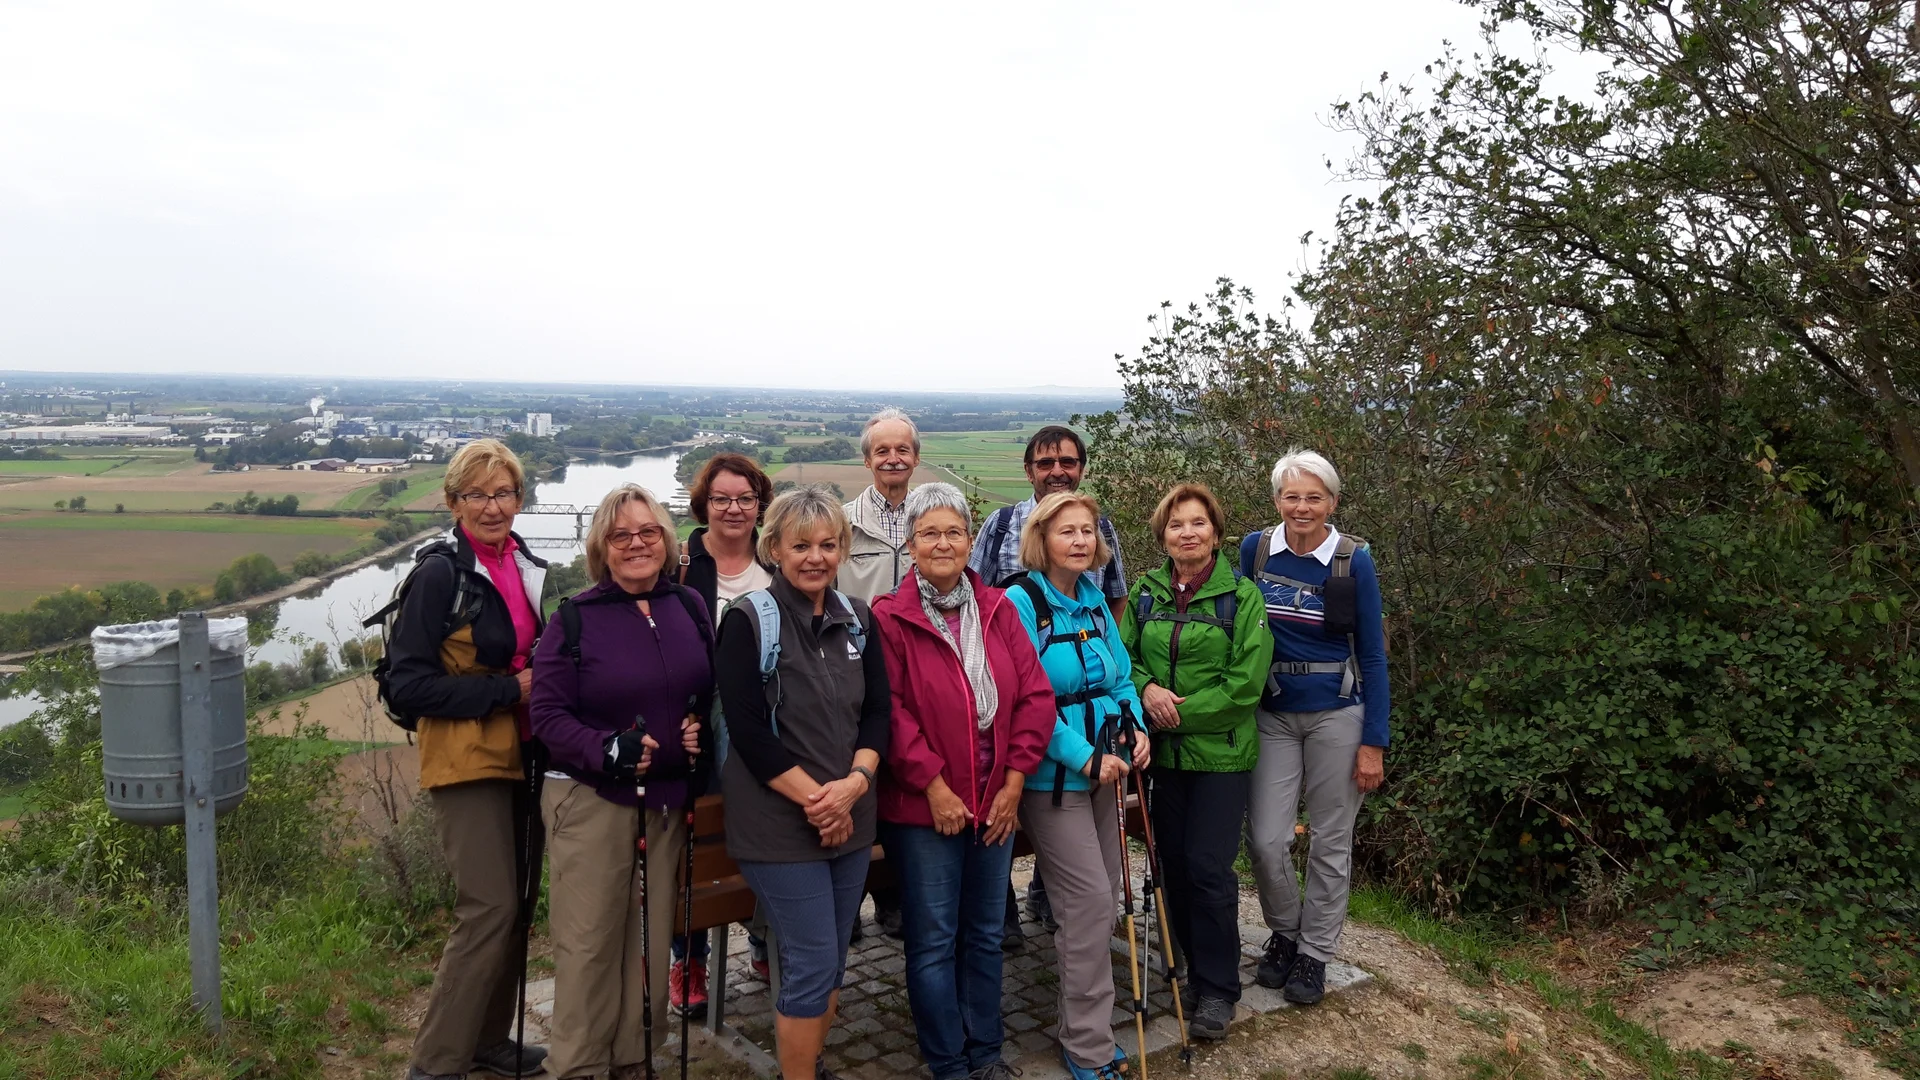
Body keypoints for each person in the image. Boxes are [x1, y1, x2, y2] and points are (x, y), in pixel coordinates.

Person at [872, 483, 1054, 1080]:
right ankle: (948, 1061)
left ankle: (987, 1054)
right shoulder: (890, 618)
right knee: (932, 941)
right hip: (927, 809)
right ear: (911, 544)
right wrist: (933, 786)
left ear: (971, 542)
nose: (943, 542)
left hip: (995, 800)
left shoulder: (1000, 610)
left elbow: (1033, 696)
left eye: (954, 532)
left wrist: (1014, 782)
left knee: (983, 935)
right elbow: (890, 714)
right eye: (930, 533)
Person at [530, 484, 712, 1080]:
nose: (637, 543)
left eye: (648, 531)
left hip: (663, 802)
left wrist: (694, 728)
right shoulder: (574, 619)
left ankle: (635, 1060)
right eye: (621, 534)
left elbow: (703, 694)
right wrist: (605, 748)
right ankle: (578, 1067)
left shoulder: (688, 607)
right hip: (590, 799)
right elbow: (548, 716)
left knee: (652, 942)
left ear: (666, 539)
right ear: (601, 548)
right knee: (588, 948)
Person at [717, 486, 890, 1080]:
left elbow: (878, 715)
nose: (815, 557)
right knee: (813, 958)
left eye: (827, 544)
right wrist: (821, 801)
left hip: (850, 814)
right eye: (800, 546)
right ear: (775, 550)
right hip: (779, 826)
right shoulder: (747, 622)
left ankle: (811, 1065)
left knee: (832, 960)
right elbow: (749, 733)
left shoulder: (858, 620)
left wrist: (855, 785)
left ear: (841, 548)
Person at [392, 438, 550, 1080]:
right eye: (478, 494)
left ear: (519, 497)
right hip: (466, 759)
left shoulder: (525, 562)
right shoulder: (438, 575)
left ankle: (487, 1040)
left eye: (505, 492)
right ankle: (435, 1063)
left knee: (517, 902)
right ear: (454, 502)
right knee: (487, 906)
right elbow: (407, 686)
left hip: (526, 751)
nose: (493, 506)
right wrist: (506, 690)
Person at [1003, 491, 1149, 1080]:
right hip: (1052, 780)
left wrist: (1135, 727)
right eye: (1068, 531)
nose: (1081, 541)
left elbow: (1120, 677)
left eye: (1088, 531)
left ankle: (1082, 1024)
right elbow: (1028, 701)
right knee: (1089, 904)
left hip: (1106, 771)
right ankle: (1086, 1042)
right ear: (1044, 538)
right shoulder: (1019, 603)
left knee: (1103, 899)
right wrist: (1085, 758)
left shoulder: (1092, 599)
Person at [1119, 483, 1272, 1041]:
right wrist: (1149, 688)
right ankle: (1184, 965)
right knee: (1171, 867)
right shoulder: (1145, 593)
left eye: (1198, 523)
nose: (1188, 532)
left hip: (1220, 760)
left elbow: (1243, 687)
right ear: (1163, 534)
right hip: (1161, 760)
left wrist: (1169, 714)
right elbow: (1124, 660)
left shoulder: (1243, 598)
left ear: (1216, 532)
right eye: (1177, 524)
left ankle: (1217, 989)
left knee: (1208, 869)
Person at [1241, 450, 1390, 1006]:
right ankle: (1284, 930)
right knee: (1266, 838)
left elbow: (1372, 654)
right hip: (1272, 712)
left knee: (1330, 839)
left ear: (1332, 502)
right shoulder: (1255, 551)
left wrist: (1374, 740)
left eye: (1314, 497)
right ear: (1277, 499)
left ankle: (1314, 952)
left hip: (1338, 711)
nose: (1302, 507)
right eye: (1292, 496)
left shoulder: (1354, 560)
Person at [968, 425, 1127, 942]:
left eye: (1067, 461)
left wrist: (1118, 704)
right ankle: (1005, 916)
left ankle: (1044, 900)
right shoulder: (999, 527)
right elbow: (977, 598)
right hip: (1021, 712)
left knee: (1090, 887)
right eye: (1045, 462)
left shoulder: (1097, 549)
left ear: (1081, 465)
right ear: (1029, 470)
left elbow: (1114, 598)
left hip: (1091, 724)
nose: (1057, 470)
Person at [672, 450, 778, 1013]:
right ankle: (687, 957)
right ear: (704, 504)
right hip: (697, 726)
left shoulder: (777, 558)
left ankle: (763, 938)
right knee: (698, 842)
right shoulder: (683, 563)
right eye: (721, 498)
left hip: (767, 718)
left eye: (745, 498)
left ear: (759, 503)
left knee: (772, 828)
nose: (734, 508)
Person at [837, 407, 921, 939]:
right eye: (882, 450)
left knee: (903, 781)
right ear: (867, 459)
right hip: (850, 669)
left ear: (916, 457)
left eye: (902, 449)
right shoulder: (842, 521)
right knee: (855, 776)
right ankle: (847, 903)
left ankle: (892, 895)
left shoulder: (931, 516)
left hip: (916, 674)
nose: (893, 458)